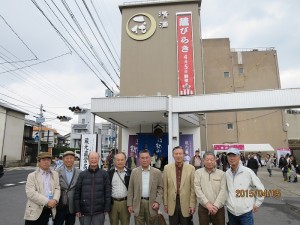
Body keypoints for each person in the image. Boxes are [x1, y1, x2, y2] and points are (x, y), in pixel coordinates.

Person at [226, 148, 265, 225]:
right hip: (231, 212)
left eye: (234, 155)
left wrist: (257, 203)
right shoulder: (227, 173)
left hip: (245, 213)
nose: (231, 158)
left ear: (239, 157)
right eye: (229, 156)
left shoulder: (247, 172)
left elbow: (260, 188)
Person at [127, 149, 163, 225]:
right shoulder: (134, 172)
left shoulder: (157, 172)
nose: (145, 160)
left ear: (150, 159)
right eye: (142, 158)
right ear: (139, 159)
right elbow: (130, 189)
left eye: (147, 158)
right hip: (138, 203)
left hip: (152, 203)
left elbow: (160, 188)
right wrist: (129, 204)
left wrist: (157, 201)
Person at [74, 151, 111, 225]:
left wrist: (106, 208)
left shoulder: (104, 174)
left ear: (98, 159)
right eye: (92, 158)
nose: (93, 160)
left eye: (95, 158)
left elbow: (108, 192)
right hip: (84, 211)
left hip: (99, 211)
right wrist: (77, 209)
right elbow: (77, 193)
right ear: (88, 159)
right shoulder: (82, 174)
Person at [24, 152, 60, 225]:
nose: (46, 162)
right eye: (43, 159)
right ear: (39, 161)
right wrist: (47, 202)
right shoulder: (32, 176)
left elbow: (57, 188)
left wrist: (55, 200)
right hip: (35, 210)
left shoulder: (55, 174)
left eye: (48, 160)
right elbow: (31, 193)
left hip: (50, 209)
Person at [163, 146, 196, 225]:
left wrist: (192, 205)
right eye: (176, 154)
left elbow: (193, 189)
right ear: (173, 155)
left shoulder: (191, 168)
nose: (178, 156)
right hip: (172, 203)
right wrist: (165, 204)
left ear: (183, 155)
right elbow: (165, 187)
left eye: (180, 154)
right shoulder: (167, 168)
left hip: (186, 203)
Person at [194, 151, 227, 225]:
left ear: (215, 160)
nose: (209, 161)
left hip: (218, 208)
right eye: (207, 159)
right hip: (203, 207)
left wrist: (216, 206)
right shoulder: (198, 173)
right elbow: (197, 189)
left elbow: (223, 191)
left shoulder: (221, 174)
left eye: (211, 160)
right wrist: (207, 204)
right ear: (203, 160)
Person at [55, 151, 81, 225]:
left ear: (74, 159)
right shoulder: (57, 172)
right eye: (67, 158)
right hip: (60, 204)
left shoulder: (79, 172)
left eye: (71, 158)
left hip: (72, 205)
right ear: (63, 160)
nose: (69, 160)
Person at [108, 152, 132, 225]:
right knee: (113, 223)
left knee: (125, 223)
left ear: (125, 161)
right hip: (113, 203)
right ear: (114, 161)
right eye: (118, 160)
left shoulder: (130, 172)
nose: (120, 162)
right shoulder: (109, 173)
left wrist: (131, 204)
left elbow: (133, 189)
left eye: (122, 160)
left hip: (125, 203)